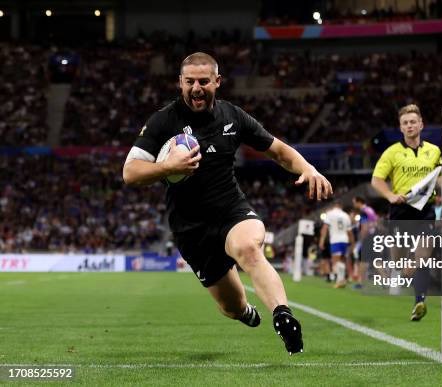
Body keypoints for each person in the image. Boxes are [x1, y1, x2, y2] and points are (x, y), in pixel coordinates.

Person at [122, 52, 333, 355]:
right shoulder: (162, 121)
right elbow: (130, 173)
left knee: (249, 248)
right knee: (231, 306)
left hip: (231, 210)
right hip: (191, 228)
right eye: (190, 81)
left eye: (204, 81)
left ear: (217, 82)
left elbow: (278, 150)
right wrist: (168, 167)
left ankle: (283, 315)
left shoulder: (233, 116)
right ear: (180, 83)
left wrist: (308, 169)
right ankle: (246, 312)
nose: (197, 87)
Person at [370, 104, 441, 321]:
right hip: (401, 209)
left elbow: (439, 175)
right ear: (400, 128)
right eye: (405, 123)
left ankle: (419, 301)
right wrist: (390, 196)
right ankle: (400, 269)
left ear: (421, 124)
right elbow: (376, 180)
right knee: (402, 264)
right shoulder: (392, 152)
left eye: (413, 122)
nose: (409, 126)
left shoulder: (434, 150)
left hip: (425, 210)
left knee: (422, 257)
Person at [318, 202, 355, 288]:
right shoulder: (346, 215)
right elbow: (350, 232)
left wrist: (322, 240)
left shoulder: (330, 214)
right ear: (340, 206)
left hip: (335, 239)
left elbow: (324, 228)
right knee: (341, 260)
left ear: (334, 206)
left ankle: (340, 280)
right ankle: (341, 280)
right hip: (344, 240)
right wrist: (352, 243)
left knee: (336, 261)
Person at [352, 196, 379, 288]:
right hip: (374, 236)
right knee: (376, 260)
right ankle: (386, 281)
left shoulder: (364, 211)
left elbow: (364, 226)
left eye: (354, 202)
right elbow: (376, 222)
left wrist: (362, 238)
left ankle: (360, 282)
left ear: (359, 202)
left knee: (362, 260)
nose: (354, 204)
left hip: (367, 237)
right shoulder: (370, 210)